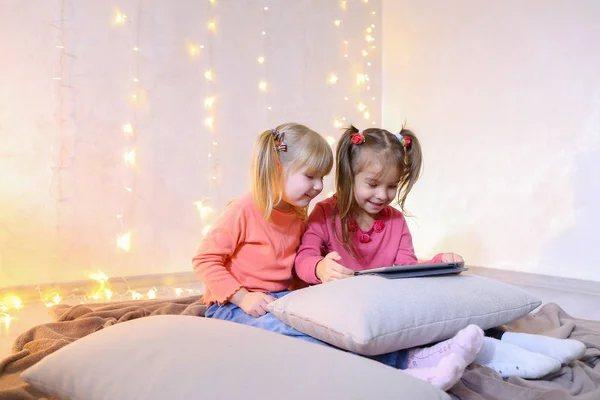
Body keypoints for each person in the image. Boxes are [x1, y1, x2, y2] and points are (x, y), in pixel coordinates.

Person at [193, 123, 484, 391]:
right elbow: (204, 260)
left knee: (338, 328)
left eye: (321, 177)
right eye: (310, 176)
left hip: (282, 300)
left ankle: (420, 356)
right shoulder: (243, 209)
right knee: (309, 340)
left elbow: (298, 264)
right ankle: (399, 373)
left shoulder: (296, 212)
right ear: (275, 171)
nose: (319, 186)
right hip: (233, 307)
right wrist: (243, 297)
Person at [295, 125, 585, 380]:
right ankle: (494, 353)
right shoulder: (324, 213)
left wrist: (437, 263)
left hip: (393, 305)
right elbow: (303, 258)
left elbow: (406, 266)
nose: (383, 195)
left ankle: (515, 342)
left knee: (443, 316)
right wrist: (319, 267)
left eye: (392, 186)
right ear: (348, 176)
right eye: (372, 184)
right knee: (410, 337)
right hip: (358, 311)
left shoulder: (395, 220)